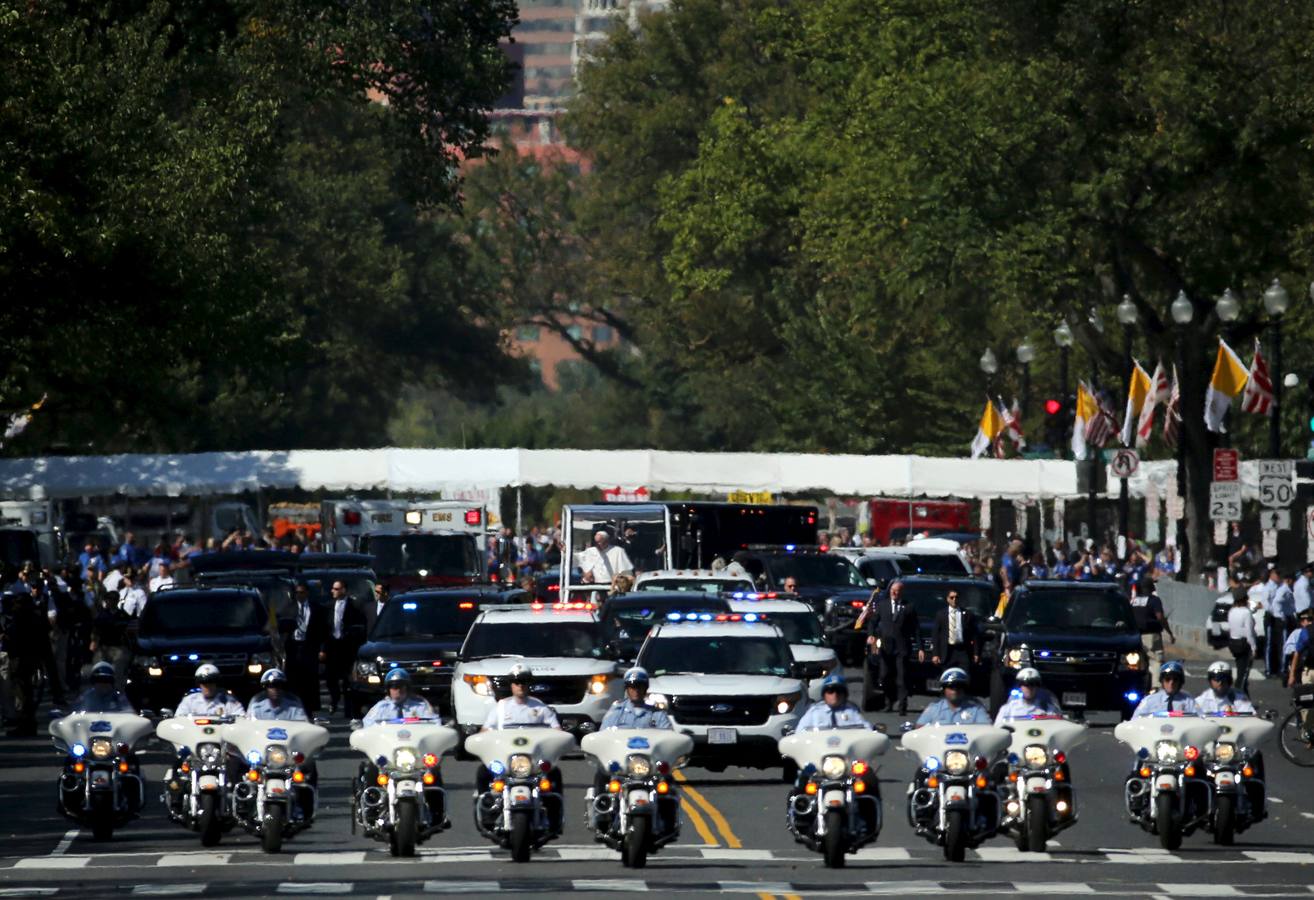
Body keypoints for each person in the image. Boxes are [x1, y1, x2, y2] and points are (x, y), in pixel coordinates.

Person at [477, 665, 563, 833]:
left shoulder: (541, 708)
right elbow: (484, 732)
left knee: (554, 773)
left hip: (533, 764)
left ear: (529, 684)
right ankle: (487, 812)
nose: (520, 685)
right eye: (516, 682)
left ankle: (555, 820)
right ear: (511, 685)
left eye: (524, 681)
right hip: (506, 763)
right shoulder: (500, 707)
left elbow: (558, 732)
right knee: (483, 771)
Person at [866, 580, 921, 715]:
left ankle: (902, 706)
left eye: (897, 591)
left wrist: (920, 648)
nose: (894, 593)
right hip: (886, 647)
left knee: (902, 677)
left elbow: (916, 629)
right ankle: (889, 701)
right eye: (892, 591)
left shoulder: (908, 607)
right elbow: (873, 622)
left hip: (902, 647)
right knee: (884, 675)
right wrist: (871, 635)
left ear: (901, 592)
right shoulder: (882, 605)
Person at [321, 580, 366, 715]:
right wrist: (323, 649)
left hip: (347, 647)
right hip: (332, 646)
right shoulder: (328, 606)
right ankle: (334, 699)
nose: (333, 591)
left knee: (347, 679)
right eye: (333, 588)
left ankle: (348, 708)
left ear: (344, 590)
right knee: (330, 677)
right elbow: (324, 629)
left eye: (336, 589)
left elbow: (360, 626)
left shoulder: (354, 606)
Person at [282, 583, 324, 715]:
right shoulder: (289, 608)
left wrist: (322, 649)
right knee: (294, 678)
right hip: (293, 647)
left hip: (309, 647)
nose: (299, 595)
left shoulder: (316, 609)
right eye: (297, 592)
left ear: (307, 593)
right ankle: (293, 707)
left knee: (309, 679)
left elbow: (322, 630)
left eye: (301, 592)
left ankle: (309, 708)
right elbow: (281, 626)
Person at [1130, 575, 1176, 672]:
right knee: (1156, 661)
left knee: (1139, 664)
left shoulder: (1133, 601)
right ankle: (1155, 682)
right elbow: (1159, 617)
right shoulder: (1154, 600)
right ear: (1152, 587)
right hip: (1152, 636)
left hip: (1136, 637)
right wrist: (1169, 632)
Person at [796, 672, 872, 730]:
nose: (835, 695)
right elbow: (800, 733)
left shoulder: (851, 711)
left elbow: (868, 730)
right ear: (824, 695)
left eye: (839, 691)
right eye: (830, 691)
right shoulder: (814, 712)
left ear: (845, 695)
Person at [600, 667, 671, 729]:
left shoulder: (657, 714)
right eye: (632, 686)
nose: (636, 690)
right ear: (627, 688)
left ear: (646, 688)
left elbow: (667, 736)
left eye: (639, 686)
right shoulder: (617, 711)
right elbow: (604, 735)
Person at [917, 668, 991, 726]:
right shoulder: (934, 709)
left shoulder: (976, 710)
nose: (955, 690)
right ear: (943, 689)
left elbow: (987, 731)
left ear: (965, 689)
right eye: (950, 686)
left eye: (959, 686)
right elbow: (918, 731)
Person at [362, 667, 437, 725]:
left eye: (401, 686)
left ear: (407, 688)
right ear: (388, 690)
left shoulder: (420, 707)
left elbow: (436, 724)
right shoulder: (381, 708)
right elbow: (366, 726)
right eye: (394, 686)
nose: (398, 690)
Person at [993, 667, 1062, 725]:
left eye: (1033, 684)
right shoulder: (1008, 709)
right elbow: (998, 730)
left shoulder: (1048, 710)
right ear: (1020, 686)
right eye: (1025, 684)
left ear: (1037, 686)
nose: (1029, 688)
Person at [931, 587, 979, 670]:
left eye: (956, 597)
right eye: (952, 597)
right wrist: (935, 654)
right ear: (947, 599)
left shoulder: (967, 614)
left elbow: (974, 634)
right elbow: (935, 635)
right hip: (947, 651)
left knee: (964, 674)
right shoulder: (941, 615)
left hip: (963, 651)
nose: (954, 600)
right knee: (948, 675)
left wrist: (976, 653)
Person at [173, 664, 246, 717]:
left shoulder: (229, 701)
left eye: (211, 683)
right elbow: (179, 720)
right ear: (199, 684)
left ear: (216, 683)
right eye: (204, 683)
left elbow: (241, 720)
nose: (208, 687)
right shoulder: (189, 701)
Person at [1131, 660, 1197, 717]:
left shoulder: (1189, 700)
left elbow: (1200, 720)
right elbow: (1135, 720)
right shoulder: (1149, 700)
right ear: (1162, 681)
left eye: (1175, 679)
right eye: (1167, 679)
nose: (1171, 683)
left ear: (1181, 682)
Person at [1267, 570, 1297, 680]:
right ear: (1288, 580)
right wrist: (1281, 616)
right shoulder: (1283, 590)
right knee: (1285, 644)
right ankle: (1283, 669)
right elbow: (1276, 602)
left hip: (1289, 617)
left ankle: (1284, 667)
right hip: (1284, 619)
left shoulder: (1287, 589)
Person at [1226, 591, 1258, 694]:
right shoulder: (1246, 612)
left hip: (1233, 642)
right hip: (1243, 643)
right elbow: (1249, 631)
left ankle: (1241, 691)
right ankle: (1239, 692)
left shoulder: (1231, 611)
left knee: (1240, 667)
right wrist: (1253, 647)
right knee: (1244, 672)